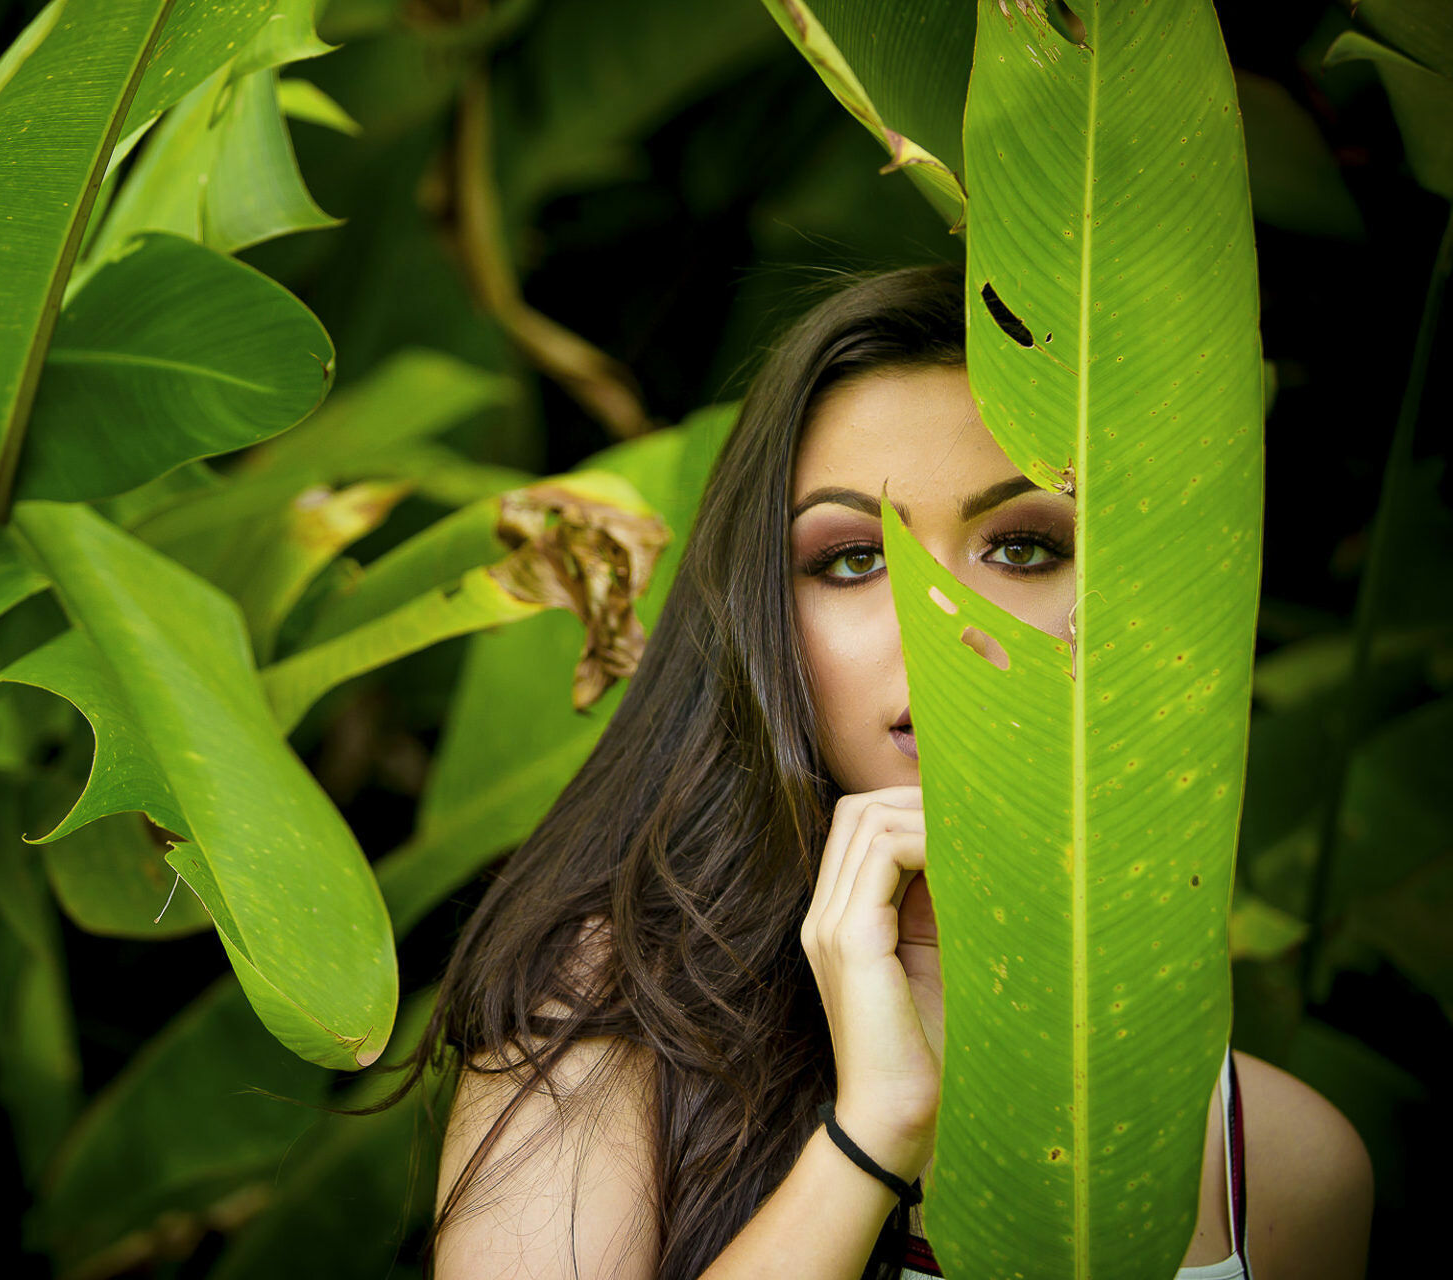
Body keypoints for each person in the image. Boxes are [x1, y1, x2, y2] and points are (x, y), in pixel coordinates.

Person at [393, 265, 1375, 1279]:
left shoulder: (1284, 1163)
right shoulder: (612, 1010)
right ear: (767, 624)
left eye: (1027, 547)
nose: (942, 622)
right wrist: (870, 1135)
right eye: (856, 559)